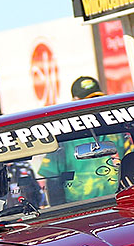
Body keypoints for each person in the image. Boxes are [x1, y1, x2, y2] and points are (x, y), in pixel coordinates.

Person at [37, 76, 129, 205]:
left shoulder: (117, 132)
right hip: (81, 209)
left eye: (97, 99)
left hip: (120, 203)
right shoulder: (65, 139)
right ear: (75, 103)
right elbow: (52, 180)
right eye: (88, 101)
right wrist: (63, 211)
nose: (94, 106)